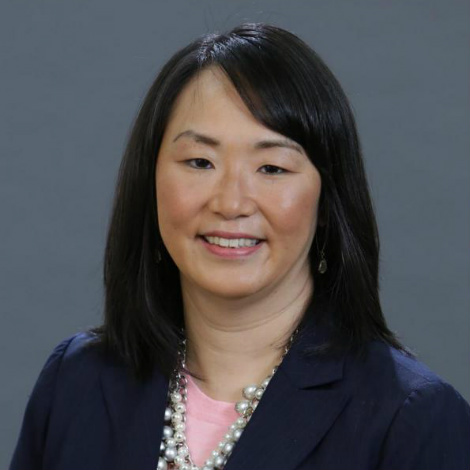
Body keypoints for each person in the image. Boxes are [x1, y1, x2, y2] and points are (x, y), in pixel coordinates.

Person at [9, 23, 470, 470]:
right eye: (199, 162)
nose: (230, 203)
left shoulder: (411, 419)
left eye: (272, 168)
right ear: (149, 181)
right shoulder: (77, 382)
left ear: (328, 200)